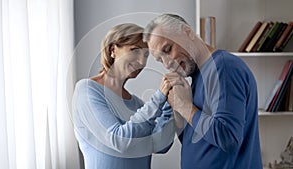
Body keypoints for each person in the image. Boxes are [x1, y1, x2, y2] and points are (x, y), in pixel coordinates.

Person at [143, 14, 263, 169]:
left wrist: (184, 107)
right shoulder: (196, 77)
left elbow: (228, 137)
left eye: (168, 49)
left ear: (188, 32)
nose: (167, 64)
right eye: (160, 59)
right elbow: (198, 142)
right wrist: (178, 112)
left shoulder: (224, 68)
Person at [72, 23, 178, 169]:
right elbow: (119, 141)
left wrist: (168, 104)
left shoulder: (137, 105)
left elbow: (159, 145)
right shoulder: (87, 90)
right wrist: (159, 97)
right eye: (135, 50)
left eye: (146, 54)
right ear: (113, 50)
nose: (142, 61)